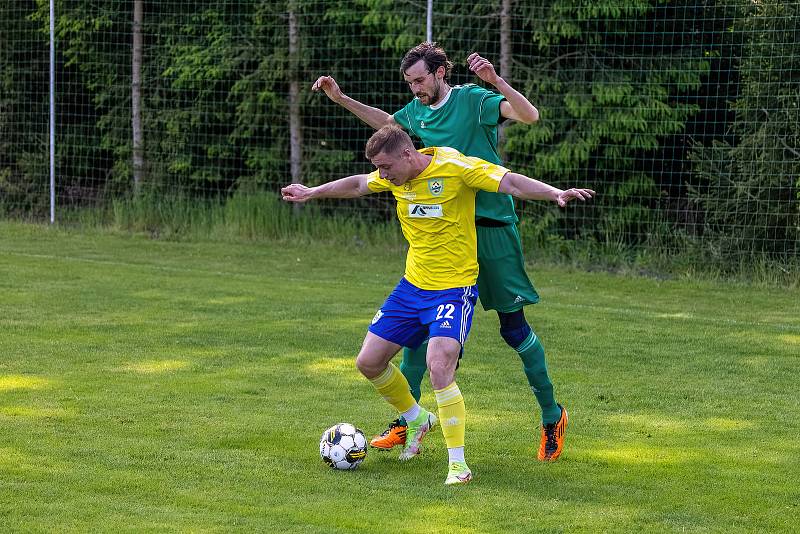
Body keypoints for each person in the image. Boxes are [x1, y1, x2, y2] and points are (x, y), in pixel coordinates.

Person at [281, 125, 594, 485]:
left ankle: (458, 467)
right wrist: (312, 192)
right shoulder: (394, 178)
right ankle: (417, 419)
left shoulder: (454, 167)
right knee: (368, 362)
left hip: (452, 289)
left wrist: (554, 192)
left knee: (439, 366)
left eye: (386, 168)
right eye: (379, 170)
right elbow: (356, 185)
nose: (382, 176)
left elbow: (509, 182)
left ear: (408, 155)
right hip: (411, 287)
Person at [312, 42, 569, 461]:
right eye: (409, 82)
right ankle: (409, 421)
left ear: (439, 74)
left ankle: (551, 416)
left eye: (419, 80)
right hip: (446, 233)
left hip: (490, 227)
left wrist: (496, 81)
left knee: (513, 328)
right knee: (423, 328)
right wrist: (341, 100)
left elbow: (529, 115)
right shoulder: (416, 114)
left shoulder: (472, 99)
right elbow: (388, 129)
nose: (414, 89)